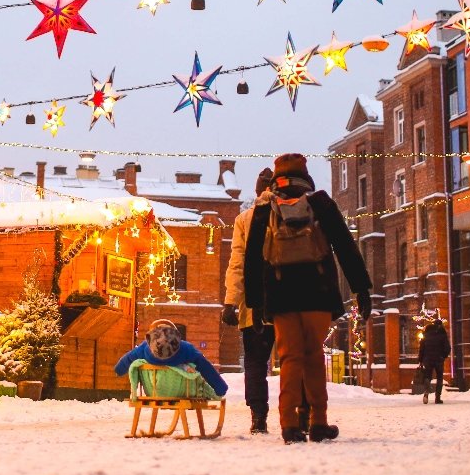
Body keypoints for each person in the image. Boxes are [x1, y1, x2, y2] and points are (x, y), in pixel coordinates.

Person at [244, 153, 373, 444]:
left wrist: (255, 304)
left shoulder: (265, 208)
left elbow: (252, 258)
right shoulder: (320, 203)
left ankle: (289, 425)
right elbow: (344, 245)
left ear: (277, 178)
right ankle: (318, 422)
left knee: (289, 358)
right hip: (318, 293)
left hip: (280, 295)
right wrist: (361, 289)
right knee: (314, 355)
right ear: (305, 175)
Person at [223, 167, 308, 434]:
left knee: (256, 362)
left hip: (254, 303)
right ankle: (299, 412)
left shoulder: (246, 219)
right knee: (293, 358)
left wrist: (230, 301)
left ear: (257, 191)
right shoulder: (292, 213)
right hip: (288, 298)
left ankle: (258, 416)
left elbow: (238, 262)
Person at [114, 319, 229, 398]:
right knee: (195, 368)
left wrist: (119, 370)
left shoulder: (145, 347)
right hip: (180, 391)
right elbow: (205, 366)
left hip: (153, 390)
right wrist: (220, 387)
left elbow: (129, 358)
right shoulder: (185, 348)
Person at [418, 318, 451, 404]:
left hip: (427, 359)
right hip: (439, 360)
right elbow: (447, 348)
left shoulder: (426, 334)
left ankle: (426, 392)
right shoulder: (442, 335)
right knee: (439, 378)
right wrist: (443, 356)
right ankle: (437, 398)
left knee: (427, 376)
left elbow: (421, 348)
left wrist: (420, 360)